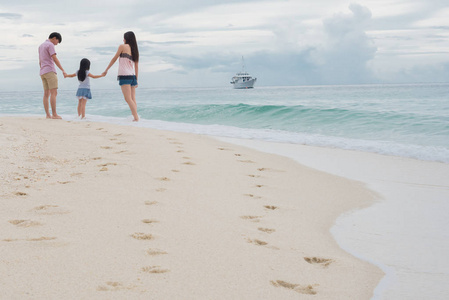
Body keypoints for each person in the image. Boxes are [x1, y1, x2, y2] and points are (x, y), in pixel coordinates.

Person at [102, 31, 139, 121]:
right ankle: (135, 117)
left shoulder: (122, 46)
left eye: (124, 38)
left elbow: (114, 59)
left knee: (127, 99)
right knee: (133, 98)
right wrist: (136, 79)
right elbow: (136, 66)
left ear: (127, 38)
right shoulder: (135, 50)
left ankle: (136, 117)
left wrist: (106, 70)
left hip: (124, 75)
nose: (123, 40)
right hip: (132, 76)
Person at [38, 32, 67, 119]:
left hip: (43, 71)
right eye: (57, 42)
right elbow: (54, 58)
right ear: (54, 38)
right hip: (50, 70)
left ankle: (48, 114)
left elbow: (40, 61)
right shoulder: (50, 45)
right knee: (54, 93)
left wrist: (42, 69)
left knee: (46, 94)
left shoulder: (41, 46)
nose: (56, 44)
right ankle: (54, 114)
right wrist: (63, 70)